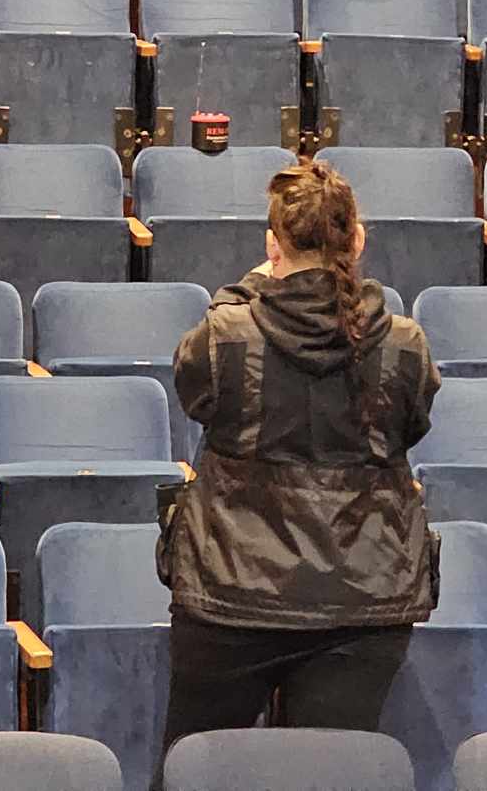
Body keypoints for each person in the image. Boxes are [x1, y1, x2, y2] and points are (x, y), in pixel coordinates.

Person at [157, 161, 441, 773]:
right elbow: (412, 426)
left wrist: (245, 289)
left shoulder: (225, 333)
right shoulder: (404, 345)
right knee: (329, 779)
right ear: (356, 240)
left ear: (273, 244)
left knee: (196, 773)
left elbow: (193, 390)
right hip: (363, 597)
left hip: (232, 590)